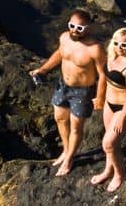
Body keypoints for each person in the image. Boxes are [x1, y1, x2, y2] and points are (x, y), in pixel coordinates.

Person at [30, 10, 106, 177]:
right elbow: (59, 54)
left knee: (76, 127)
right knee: (60, 118)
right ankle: (66, 150)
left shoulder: (95, 48)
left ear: (88, 28)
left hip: (82, 92)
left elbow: (103, 75)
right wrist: (42, 70)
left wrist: (100, 97)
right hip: (63, 85)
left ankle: (70, 158)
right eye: (72, 26)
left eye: (79, 28)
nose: (74, 30)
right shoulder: (65, 37)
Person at [91, 27, 126, 192]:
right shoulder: (111, 57)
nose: (120, 47)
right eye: (117, 43)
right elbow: (104, 79)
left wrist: (121, 117)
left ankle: (120, 174)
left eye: (125, 45)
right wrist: (99, 97)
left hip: (124, 110)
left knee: (108, 143)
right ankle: (108, 170)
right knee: (112, 142)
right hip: (108, 105)